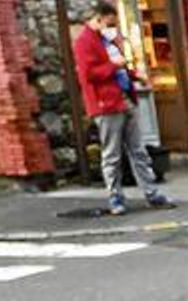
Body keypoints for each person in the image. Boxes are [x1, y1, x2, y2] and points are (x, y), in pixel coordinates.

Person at [73, 1, 174, 216]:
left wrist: (135, 75)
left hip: (124, 99)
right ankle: (116, 197)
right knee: (112, 154)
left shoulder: (106, 40)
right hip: (106, 104)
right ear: (98, 18)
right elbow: (88, 75)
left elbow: (120, 68)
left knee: (138, 150)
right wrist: (113, 66)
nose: (113, 27)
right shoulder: (84, 42)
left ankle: (151, 192)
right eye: (109, 22)